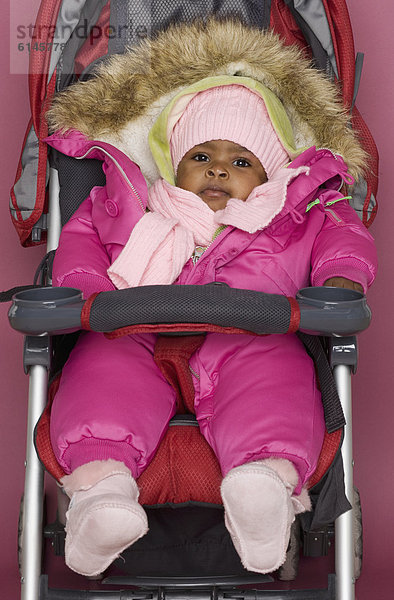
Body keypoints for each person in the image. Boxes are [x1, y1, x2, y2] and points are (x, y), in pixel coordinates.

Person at [45, 20, 377, 578]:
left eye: (242, 161)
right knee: (102, 367)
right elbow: (81, 247)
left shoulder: (297, 215)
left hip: (253, 334)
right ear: (172, 162)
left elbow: (344, 238)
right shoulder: (131, 205)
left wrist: (341, 279)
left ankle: (263, 487)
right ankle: (103, 497)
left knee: (277, 377)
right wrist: (86, 294)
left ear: (270, 173)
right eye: (201, 155)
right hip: (136, 332)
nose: (219, 167)